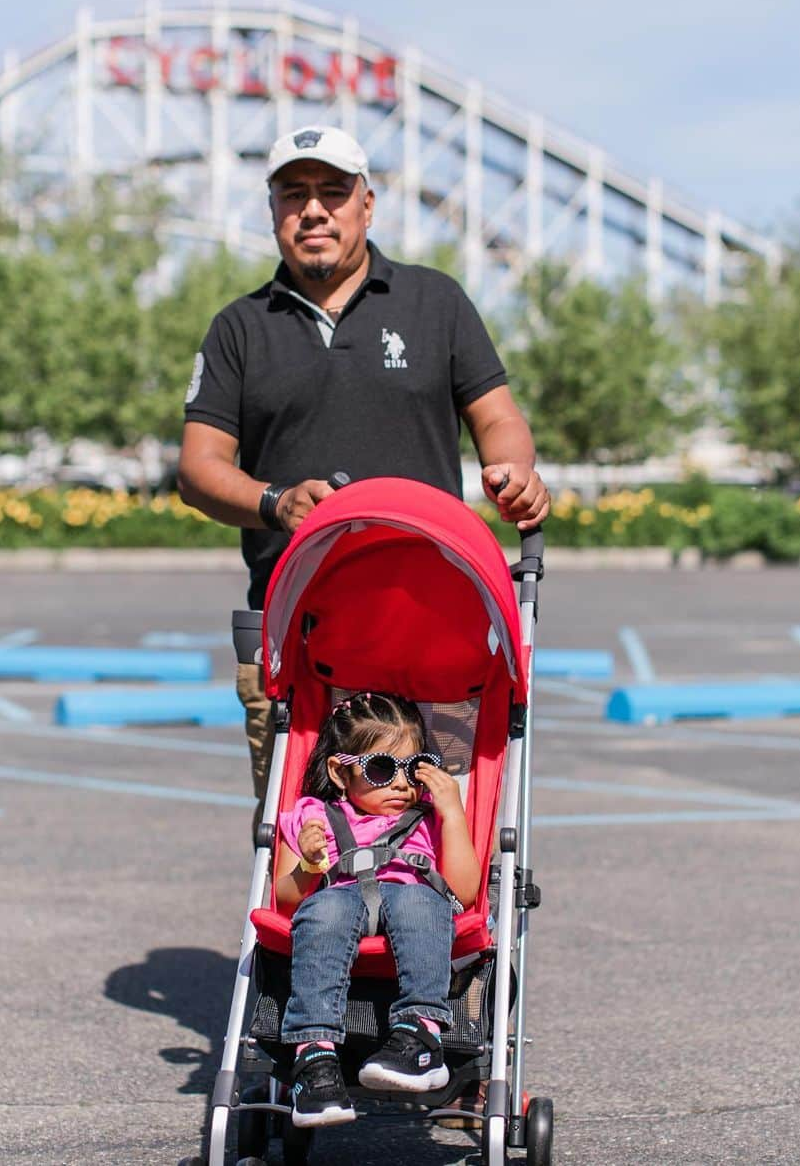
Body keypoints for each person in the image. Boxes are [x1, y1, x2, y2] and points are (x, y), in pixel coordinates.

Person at [177, 124, 550, 829]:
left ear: (367, 205)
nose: (313, 210)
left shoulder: (434, 302)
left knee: (446, 843)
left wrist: (514, 468)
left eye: (331, 192)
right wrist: (274, 501)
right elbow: (198, 468)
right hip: (297, 641)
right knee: (304, 846)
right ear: (274, 212)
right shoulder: (239, 328)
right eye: (294, 195)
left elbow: (499, 417)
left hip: (435, 629)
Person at [272, 690, 480, 1127]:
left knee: (423, 901)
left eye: (414, 769)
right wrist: (310, 864)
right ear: (340, 770)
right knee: (323, 912)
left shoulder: (426, 817)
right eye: (383, 768)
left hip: (410, 899)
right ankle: (315, 1058)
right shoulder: (313, 815)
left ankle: (419, 1033)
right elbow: (287, 897)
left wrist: (452, 813)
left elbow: (465, 889)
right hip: (337, 900)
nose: (402, 784)